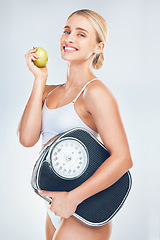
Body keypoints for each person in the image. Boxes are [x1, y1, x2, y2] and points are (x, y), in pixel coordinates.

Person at [18, 9, 133, 240]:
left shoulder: (95, 92)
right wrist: (39, 80)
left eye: (81, 34)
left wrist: (72, 199)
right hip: (56, 204)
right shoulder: (48, 91)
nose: (69, 38)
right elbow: (27, 139)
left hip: (85, 206)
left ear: (98, 47)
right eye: (67, 31)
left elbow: (123, 158)